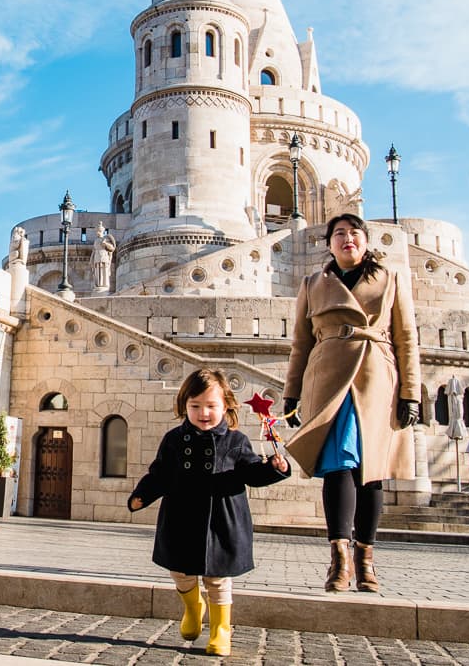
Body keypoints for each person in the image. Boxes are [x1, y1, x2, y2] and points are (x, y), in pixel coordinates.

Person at [282, 213, 421, 593]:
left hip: (377, 377)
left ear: (365, 241)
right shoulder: (312, 285)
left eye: (354, 233)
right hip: (328, 379)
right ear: (328, 243)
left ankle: (366, 558)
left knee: (372, 471)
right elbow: (301, 343)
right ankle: (339, 558)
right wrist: (291, 393)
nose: (347, 239)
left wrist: (412, 392)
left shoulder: (390, 280)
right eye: (339, 233)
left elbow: (406, 339)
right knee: (338, 465)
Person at [129, 368, 289, 656]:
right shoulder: (174, 439)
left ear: (225, 405)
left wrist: (273, 469)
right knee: (179, 571)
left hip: (221, 517)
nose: (204, 412)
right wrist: (143, 494)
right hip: (181, 514)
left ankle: (220, 631)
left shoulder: (236, 441)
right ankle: (192, 607)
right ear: (184, 406)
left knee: (217, 578)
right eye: (195, 406)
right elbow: (160, 473)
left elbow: (252, 472)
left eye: (211, 406)